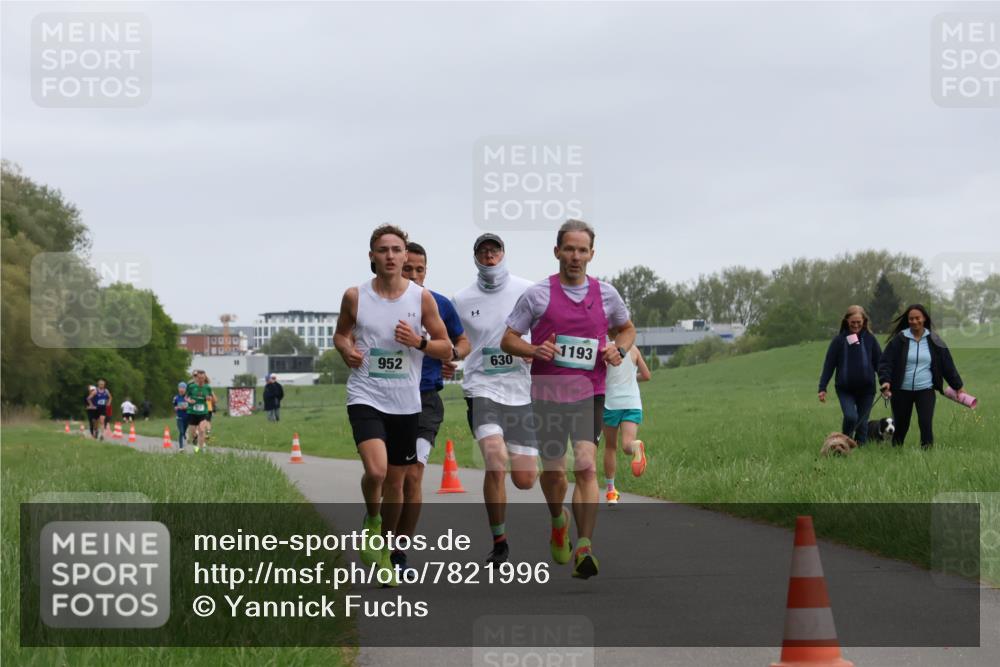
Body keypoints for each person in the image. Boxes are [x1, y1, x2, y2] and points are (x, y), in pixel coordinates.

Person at [501, 219, 635, 579]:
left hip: (588, 392)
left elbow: (626, 328)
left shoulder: (606, 294)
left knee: (586, 466)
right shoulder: (537, 295)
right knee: (555, 474)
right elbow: (508, 339)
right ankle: (558, 518)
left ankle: (585, 546)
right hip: (546, 394)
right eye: (569, 249)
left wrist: (618, 350)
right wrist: (534, 348)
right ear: (557, 251)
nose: (575, 256)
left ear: (592, 254)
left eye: (582, 250)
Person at [333, 223, 452, 584]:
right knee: (378, 472)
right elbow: (340, 334)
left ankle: (385, 551)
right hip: (366, 395)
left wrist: (418, 342)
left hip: (406, 401)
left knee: (398, 485)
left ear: (405, 255)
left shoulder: (421, 299)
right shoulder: (355, 296)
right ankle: (372, 519)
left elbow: (446, 347)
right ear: (372, 256)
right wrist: (346, 351)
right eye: (382, 250)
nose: (390, 256)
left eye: (396, 250)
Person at [454, 233, 538, 565]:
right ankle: (499, 540)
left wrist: (535, 351)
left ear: (504, 254)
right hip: (481, 386)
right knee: (493, 458)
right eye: (483, 252)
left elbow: (546, 328)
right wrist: (451, 356)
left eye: (494, 251)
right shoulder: (461, 298)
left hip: (519, 389)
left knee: (525, 479)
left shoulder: (527, 290)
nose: (489, 257)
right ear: (475, 257)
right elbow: (454, 339)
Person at [392, 241, 471, 571]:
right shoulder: (380, 302)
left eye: (419, 270)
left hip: (426, 401)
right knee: (387, 479)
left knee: (414, 476)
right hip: (386, 399)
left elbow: (462, 342)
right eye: (407, 269)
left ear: (426, 271)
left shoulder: (438, 304)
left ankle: (398, 552)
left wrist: (450, 356)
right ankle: (377, 527)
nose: (413, 275)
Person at [878, 304, 968, 450]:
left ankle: (927, 454)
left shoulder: (934, 341)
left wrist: (958, 386)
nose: (914, 321)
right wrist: (885, 381)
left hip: (925, 390)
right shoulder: (899, 340)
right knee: (901, 425)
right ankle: (895, 452)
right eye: (911, 319)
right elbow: (886, 362)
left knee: (925, 423)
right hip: (901, 390)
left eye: (917, 318)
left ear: (924, 318)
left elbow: (947, 365)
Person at [818, 305, 882, 446]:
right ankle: (844, 444)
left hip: (867, 389)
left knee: (862, 423)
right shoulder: (839, 341)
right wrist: (822, 387)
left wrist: (885, 383)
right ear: (846, 321)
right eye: (853, 322)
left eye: (859, 322)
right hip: (845, 389)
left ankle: (861, 449)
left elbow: (879, 363)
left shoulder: (870, 339)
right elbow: (829, 365)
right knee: (851, 417)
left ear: (864, 321)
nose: (856, 325)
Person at [602, 337, 651, 505]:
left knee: (610, 447)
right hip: (632, 402)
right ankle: (636, 447)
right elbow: (646, 375)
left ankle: (611, 492)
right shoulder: (634, 349)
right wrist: (630, 377)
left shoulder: (605, 349)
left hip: (611, 403)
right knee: (627, 445)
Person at [185, 370, 216, 453]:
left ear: (205, 378)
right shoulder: (191, 387)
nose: (201, 379)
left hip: (203, 412)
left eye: (203, 378)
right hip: (192, 412)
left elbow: (213, 400)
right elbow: (186, 397)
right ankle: (196, 447)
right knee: (193, 433)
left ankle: (202, 450)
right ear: (197, 378)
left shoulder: (208, 388)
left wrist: (209, 399)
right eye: (199, 378)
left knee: (202, 430)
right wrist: (189, 401)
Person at [173, 382, 189, 450]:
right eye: (180, 388)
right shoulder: (176, 398)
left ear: (185, 389)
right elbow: (174, 406)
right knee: (181, 432)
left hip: (187, 417)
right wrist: (177, 408)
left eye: (183, 388)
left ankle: (186, 435)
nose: (181, 389)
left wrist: (185, 407)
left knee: (184, 432)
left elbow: (190, 405)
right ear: (178, 389)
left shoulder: (188, 397)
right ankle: (181, 448)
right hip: (179, 417)